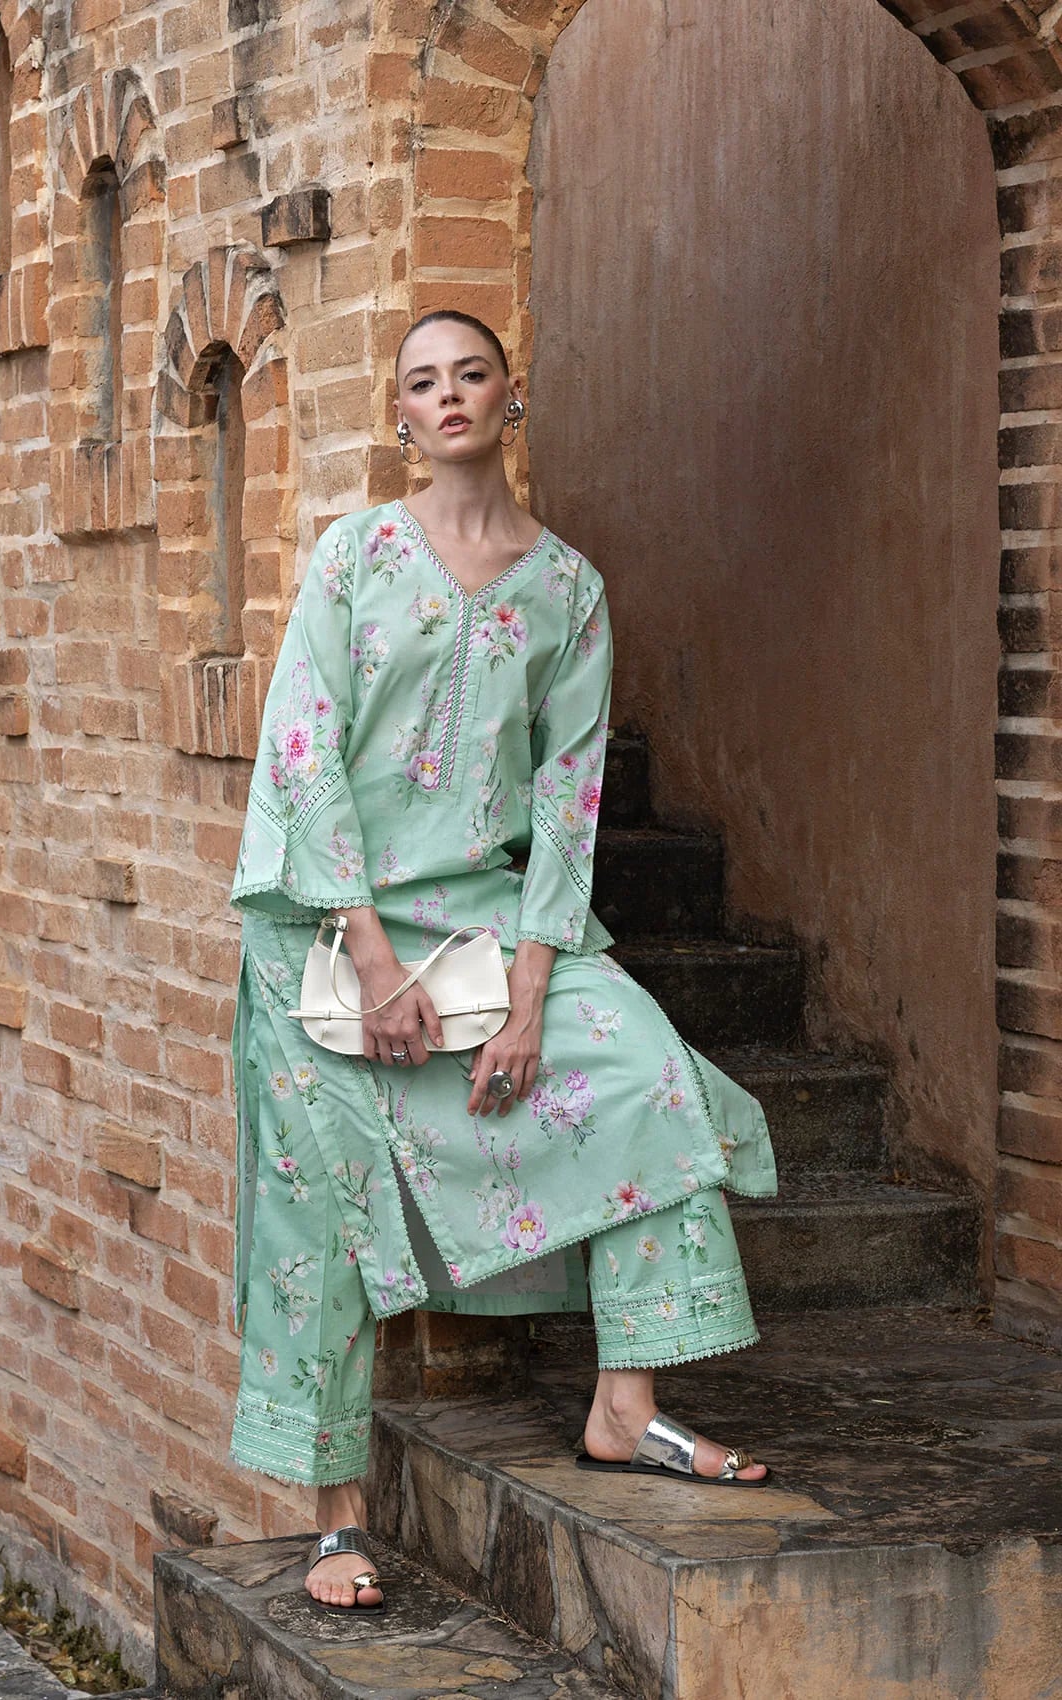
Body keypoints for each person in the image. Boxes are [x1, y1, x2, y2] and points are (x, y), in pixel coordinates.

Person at [228, 310, 779, 1613]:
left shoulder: (568, 591)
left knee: (648, 1071)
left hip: (484, 916)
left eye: (470, 374)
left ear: (508, 397)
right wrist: (371, 961)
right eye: (422, 382)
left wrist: (530, 996)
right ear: (400, 417)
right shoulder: (354, 557)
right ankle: (334, 1520)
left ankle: (624, 1406)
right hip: (327, 927)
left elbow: (570, 798)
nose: (449, 395)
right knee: (327, 1210)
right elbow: (302, 749)